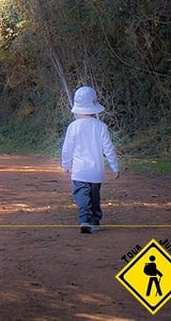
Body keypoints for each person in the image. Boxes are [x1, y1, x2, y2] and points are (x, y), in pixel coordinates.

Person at [61, 86, 120, 233]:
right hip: (96, 171)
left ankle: (84, 220)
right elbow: (108, 149)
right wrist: (115, 167)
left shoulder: (73, 127)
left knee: (81, 195)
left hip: (79, 171)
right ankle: (95, 222)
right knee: (95, 196)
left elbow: (67, 149)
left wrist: (66, 165)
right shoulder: (101, 127)